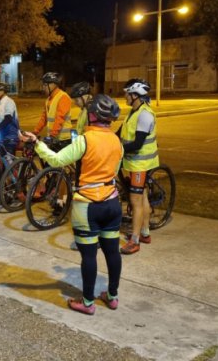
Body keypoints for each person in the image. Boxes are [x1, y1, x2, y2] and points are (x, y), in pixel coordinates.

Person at [20, 94, 123, 315]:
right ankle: (112, 297)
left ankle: (87, 303)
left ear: (93, 115)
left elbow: (56, 160)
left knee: (89, 256)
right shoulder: (116, 141)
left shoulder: (85, 140)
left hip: (87, 205)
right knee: (112, 252)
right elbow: (114, 171)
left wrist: (36, 143)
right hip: (112, 203)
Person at [119, 79, 159, 255]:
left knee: (135, 200)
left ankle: (134, 241)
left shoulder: (144, 115)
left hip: (141, 163)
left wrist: (117, 148)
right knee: (142, 196)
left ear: (135, 95)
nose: (125, 96)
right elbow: (119, 133)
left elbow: (137, 144)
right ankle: (145, 232)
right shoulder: (133, 112)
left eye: (127, 93)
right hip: (135, 162)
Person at [33, 72, 73, 145]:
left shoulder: (63, 97)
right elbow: (44, 118)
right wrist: (35, 132)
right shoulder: (48, 99)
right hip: (53, 139)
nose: (43, 88)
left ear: (53, 85)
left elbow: (59, 118)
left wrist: (52, 136)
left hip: (63, 140)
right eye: (43, 85)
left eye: (45, 85)